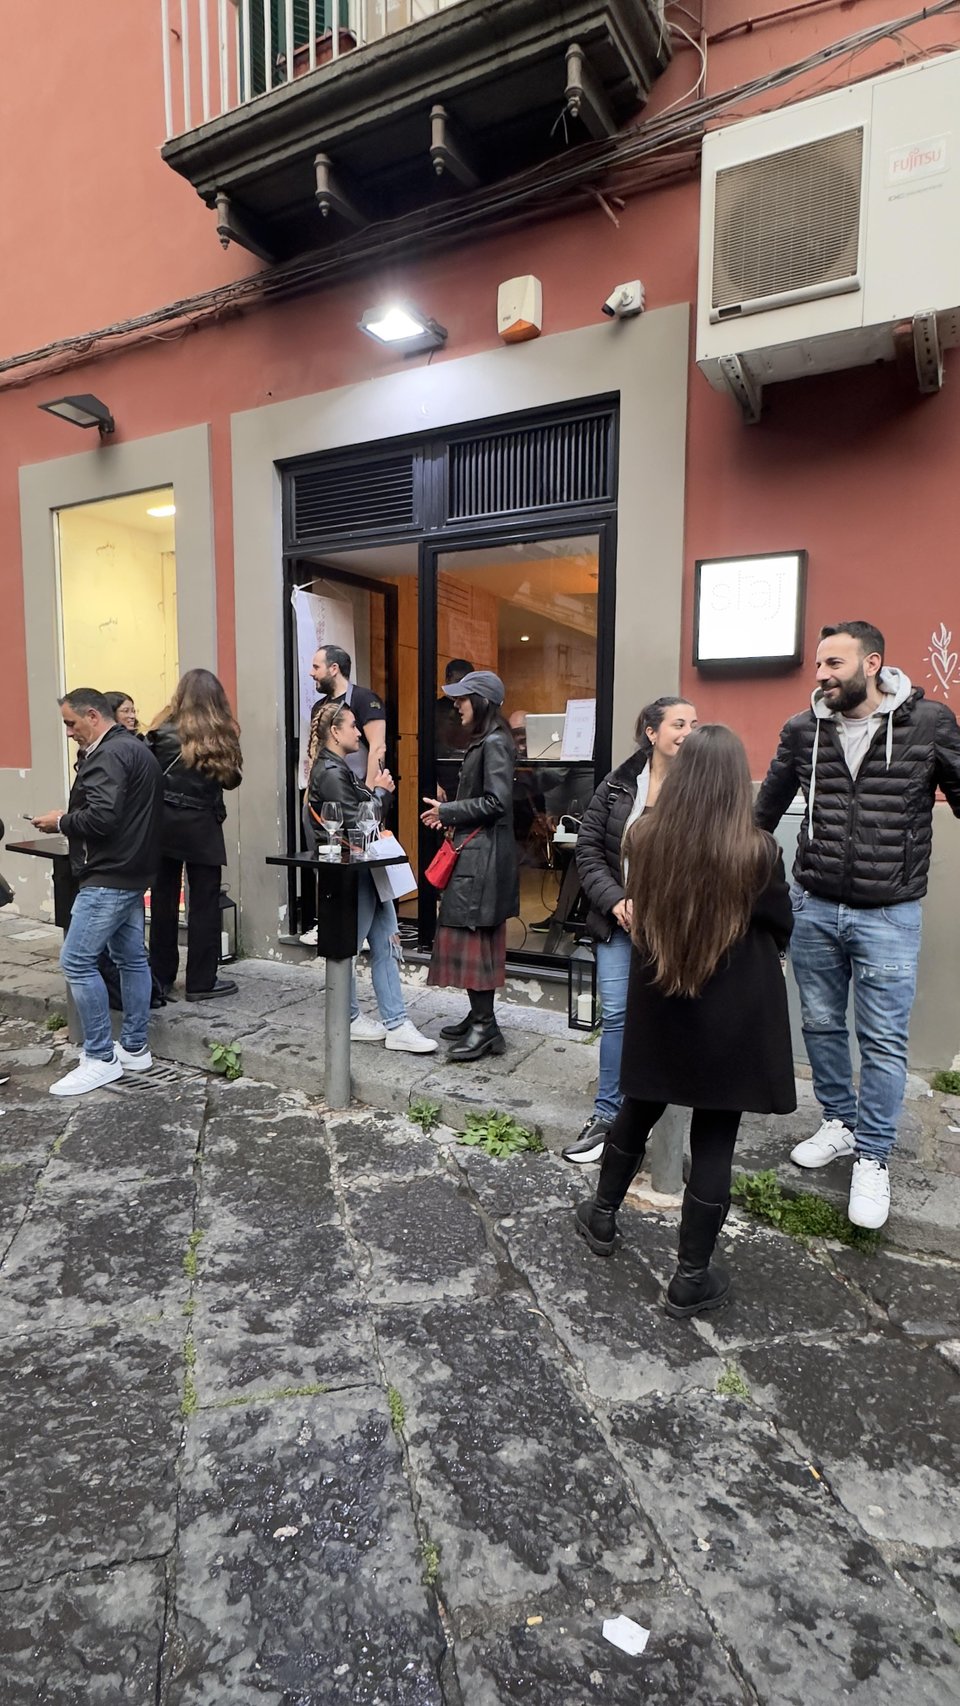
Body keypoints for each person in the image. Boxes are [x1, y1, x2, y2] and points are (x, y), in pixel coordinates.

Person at [574, 725, 795, 1314]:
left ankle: (601, 1217)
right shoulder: (758, 850)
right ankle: (690, 1276)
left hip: (663, 993)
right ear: (736, 781)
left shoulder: (645, 837)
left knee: (638, 1106)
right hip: (732, 1007)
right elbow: (779, 922)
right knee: (716, 1135)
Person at [756, 620, 960, 1230]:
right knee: (820, 1024)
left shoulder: (929, 723)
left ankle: (874, 1155)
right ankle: (840, 1123)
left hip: (889, 912)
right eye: (819, 664)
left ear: (872, 665)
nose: (821, 675)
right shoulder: (802, 729)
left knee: (882, 1040)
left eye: (834, 664)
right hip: (814, 904)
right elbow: (763, 812)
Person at [563, 696, 698, 1164]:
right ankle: (608, 1115)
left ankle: (661, 1121)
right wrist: (616, 901)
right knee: (619, 1017)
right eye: (678, 724)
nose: (688, 732)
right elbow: (587, 849)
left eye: (693, 723)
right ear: (652, 733)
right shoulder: (618, 784)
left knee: (669, 1020)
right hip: (618, 922)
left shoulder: (700, 785)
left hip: (673, 928)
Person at [31, 687, 164, 1096]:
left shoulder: (109, 754)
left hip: (109, 873)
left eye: (71, 723)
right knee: (131, 958)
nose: (69, 731)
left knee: (76, 962)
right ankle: (135, 1048)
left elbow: (103, 818)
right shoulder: (135, 748)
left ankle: (101, 1057)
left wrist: (61, 821)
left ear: (92, 715)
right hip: (132, 870)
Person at [309, 702, 436, 1054]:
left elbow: (359, 814)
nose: (358, 732)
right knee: (349, 948)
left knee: (387, 942)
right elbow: (358, 822)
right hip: (351, 871)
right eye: (352, 726)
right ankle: (349, 1018)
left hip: (363, 868)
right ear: (335, 732)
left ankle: (396, 1024)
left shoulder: (337, 769)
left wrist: (375, 790)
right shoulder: (331, 772)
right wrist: (380, 792)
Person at [421, 670, 519, 1062]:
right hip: (479, 856)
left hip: (484, 861)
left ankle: (485, 1026)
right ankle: (481, 1018)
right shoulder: (488, 739)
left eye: (463, 699)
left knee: (475, 942)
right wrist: (450, 812)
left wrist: (448, 811)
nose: (457, 705)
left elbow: (497, 802)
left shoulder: (494, 742)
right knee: (470, 939)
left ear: (481, 702)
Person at [146, 669, 242, 1002]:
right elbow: (232, 781)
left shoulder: (159, 731)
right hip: (201, 823)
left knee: (163, 901)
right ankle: (201, 981)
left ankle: (160, 977)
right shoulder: (219, 735)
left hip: (163, 822)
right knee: (204, 903)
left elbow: (147, 773)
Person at [304, 645, 387, 786]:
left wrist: (369, 792)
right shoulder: (318, 707)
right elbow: (315, 751)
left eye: (316, 667)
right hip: (328, 787)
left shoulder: (364, 699)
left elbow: (378, 747)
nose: (311, 673)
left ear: (334, 669)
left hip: (358, 789)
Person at [436, 658, 475, 757]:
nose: (462, 686)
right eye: (458, 681)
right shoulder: (436, 709)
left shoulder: (476, 706)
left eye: (466, 682)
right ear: (448, 680)